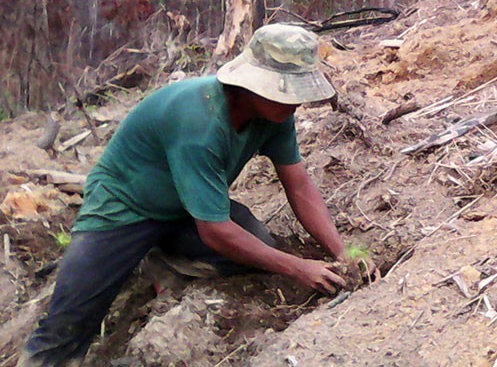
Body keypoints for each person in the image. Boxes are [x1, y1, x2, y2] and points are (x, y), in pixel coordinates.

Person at [20, 24, 356, 367]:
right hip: (122, 208)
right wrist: (298, 268)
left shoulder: (276, 113)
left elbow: (298, 184)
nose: (295, 101)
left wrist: (341, 251)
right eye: (285, 90)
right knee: (67, 324)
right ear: (252, 83)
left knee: (259, 246)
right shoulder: (200, 122)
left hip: (186, 210)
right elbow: (215, 231)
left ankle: (162, 259)